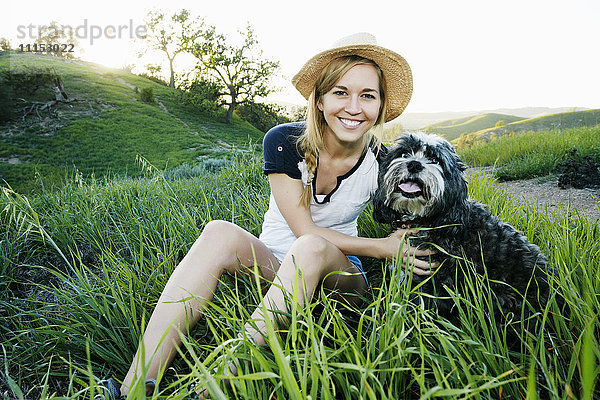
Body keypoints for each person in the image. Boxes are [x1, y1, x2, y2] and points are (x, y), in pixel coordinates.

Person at [97, 32, 438, 399]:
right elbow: (302, 227)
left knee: (310, 247)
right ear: (320, 100)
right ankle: (136, 385)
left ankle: (213, 386)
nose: (353, 107)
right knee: (218, 232)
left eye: (367, 96)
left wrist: (405, 244)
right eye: (341, 92)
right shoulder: (284, 140)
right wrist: (382, 247)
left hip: (339, 282)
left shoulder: (382, 161)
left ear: (380, 106)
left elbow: (417, 213)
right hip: (275, 264)